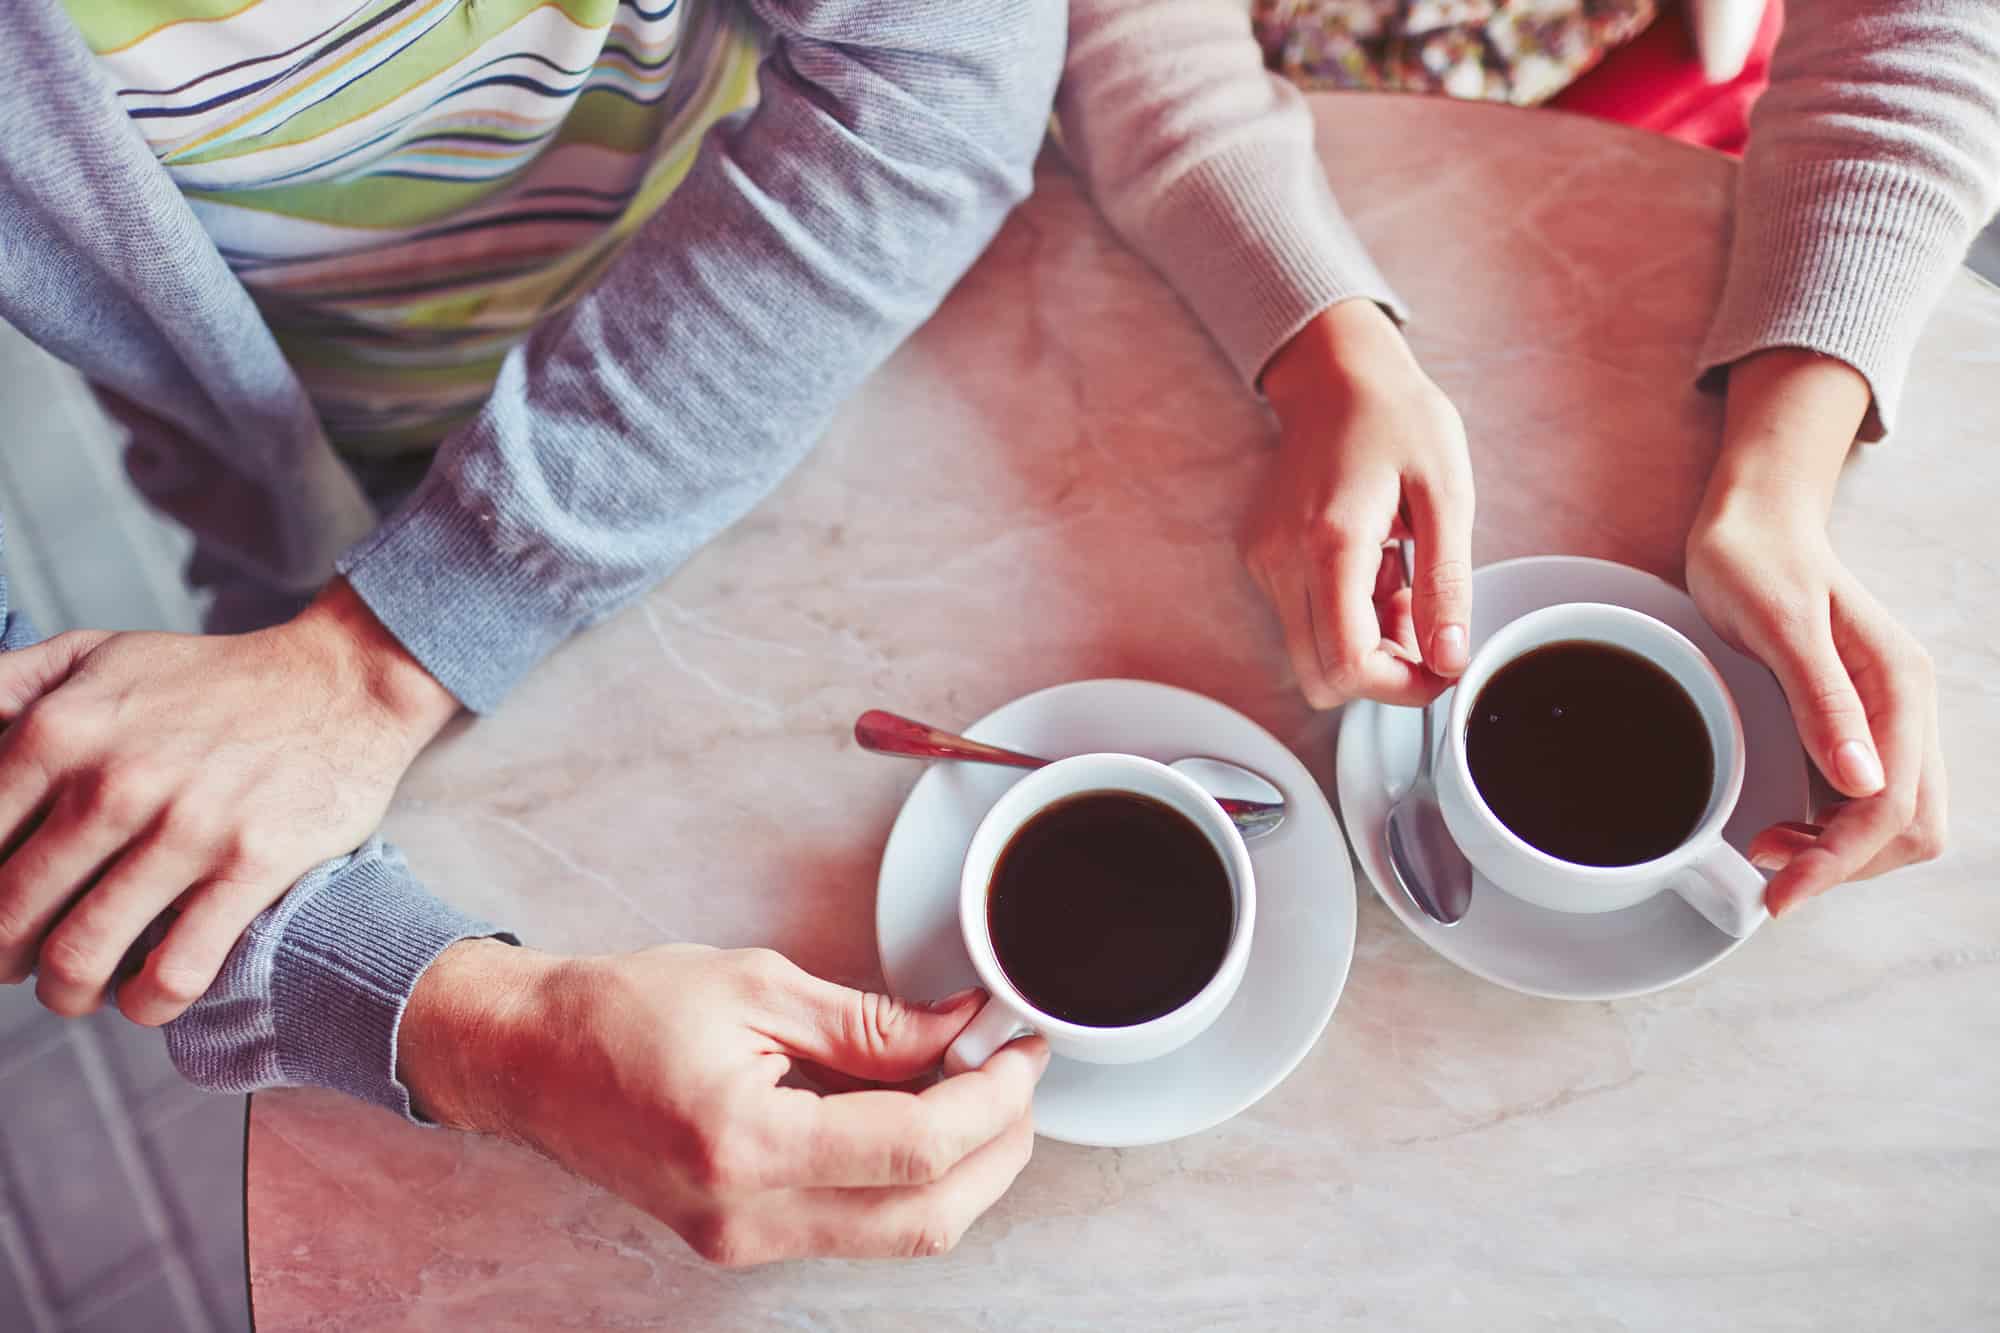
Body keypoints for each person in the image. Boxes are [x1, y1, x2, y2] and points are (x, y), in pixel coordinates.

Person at [0, 0, 1063, 1266]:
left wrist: (393, 645)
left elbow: (948, 58)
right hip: (305, 491)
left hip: (764, 345)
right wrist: (480, 1029)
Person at [1054, 0, 1998, 915]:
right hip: (1254, 125)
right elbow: (1132, 28)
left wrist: (1777, 497)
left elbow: (1913, 47)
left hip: (1678, 111)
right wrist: (1324, 360)